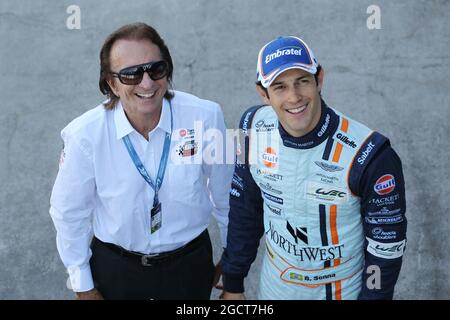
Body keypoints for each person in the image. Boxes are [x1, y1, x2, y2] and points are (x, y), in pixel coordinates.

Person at [49, 22, 233, 300]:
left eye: (156, 69)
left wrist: (233, 265)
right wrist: (83, 284)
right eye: (131, 74)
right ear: (112, 83)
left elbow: (227, 197)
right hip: (117, 270)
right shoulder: (84, 135)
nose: (147, 83)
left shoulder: (206, 117)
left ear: (167, 70)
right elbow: (68, 213)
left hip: (189, 267)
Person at [220, 36, 407, 300]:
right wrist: (233, 282)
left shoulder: (370, 154)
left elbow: (386, 249)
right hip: (274, 289)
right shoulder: (252, 126)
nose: (294, 97)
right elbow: (245, 210)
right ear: (264, 94)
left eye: (302, 81)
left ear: (319, 79)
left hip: (343, 292)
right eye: (280, 86)